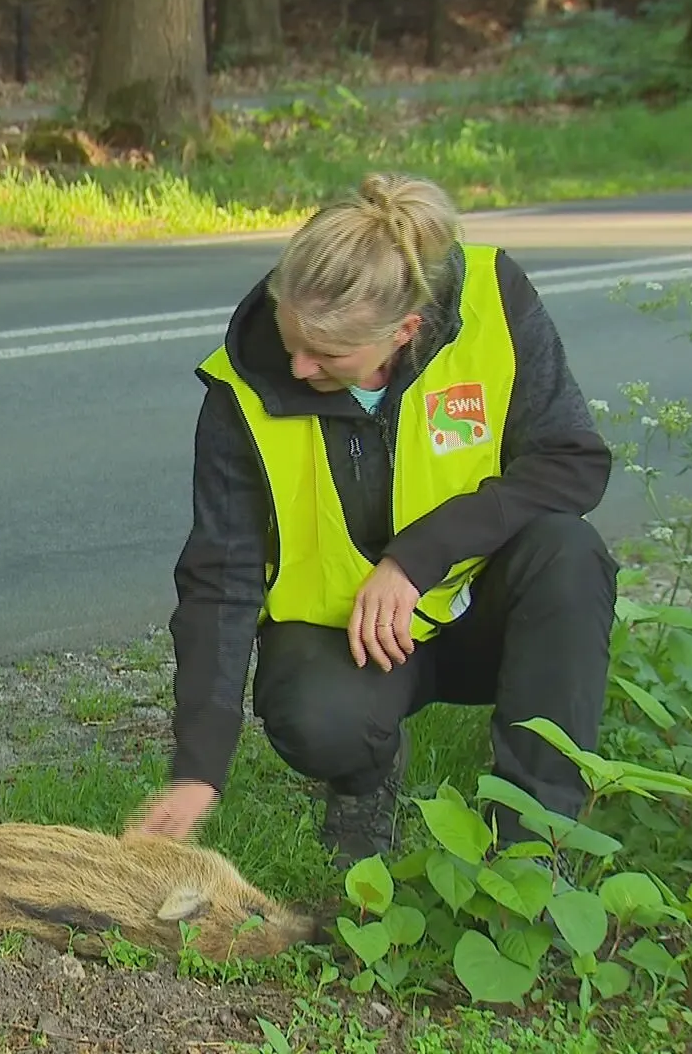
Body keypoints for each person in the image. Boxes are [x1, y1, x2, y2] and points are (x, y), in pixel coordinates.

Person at [125, 171, 618, 870]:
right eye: (291, 336)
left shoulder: (494, 302)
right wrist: (199, 766)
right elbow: (219, 577)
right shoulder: (243, 385)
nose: (296, 365)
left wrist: (416, 559)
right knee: (315, 721)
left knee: (570, 553)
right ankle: (366, 777)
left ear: (405, 332)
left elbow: (573, 463)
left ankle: (535, 848)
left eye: (325, 356)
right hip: (350, 638)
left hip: (483, 613)